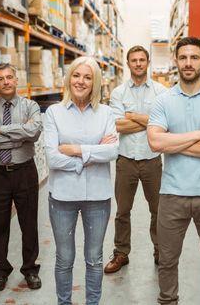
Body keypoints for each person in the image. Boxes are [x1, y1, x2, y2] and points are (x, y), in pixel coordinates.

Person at [147, 37, 200, 305]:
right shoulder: (163, 101)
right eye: (183, 57)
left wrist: (173, 141)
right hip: (172, 194)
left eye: (193, 57)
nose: (188, 63)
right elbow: (155, 143)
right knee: (168, 261)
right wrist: (198, 135)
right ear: (176, 61)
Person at [44, 56, 119, 305]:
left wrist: (75, 150)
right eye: (77, 75)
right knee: (64, 258)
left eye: (88, 77)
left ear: (95, 82)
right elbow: (52, 159)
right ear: (69, 78)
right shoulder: (54, 113)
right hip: (62, 196)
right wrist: (92, 152)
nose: (81, 81)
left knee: (95, 258)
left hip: (98, 196)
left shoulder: (106, 113)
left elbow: (112, 152)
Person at [0, 63, 43, 292]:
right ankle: (1, 271)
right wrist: (18, 134)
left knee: (29, 223)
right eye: (0, 78)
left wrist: (1, 130)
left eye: (9, 77)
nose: (5, 82)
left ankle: (30, 270)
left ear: (16, 79)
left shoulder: (30, 105)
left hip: (24, 171)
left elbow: (33, 133)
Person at [104, 46, 166, 273]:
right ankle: (121, 253)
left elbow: (163, 123)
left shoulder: (160, 91)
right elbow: (117, 125)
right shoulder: (119, 92)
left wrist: (132, 116)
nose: (138, 63)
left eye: (142, 60)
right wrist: (148, 121)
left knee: (158, 210)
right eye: (134, 60)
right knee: (122, 211)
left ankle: (161, 250)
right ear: (128, 63)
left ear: (147, 62)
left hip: (152, 159)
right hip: (126, 160)